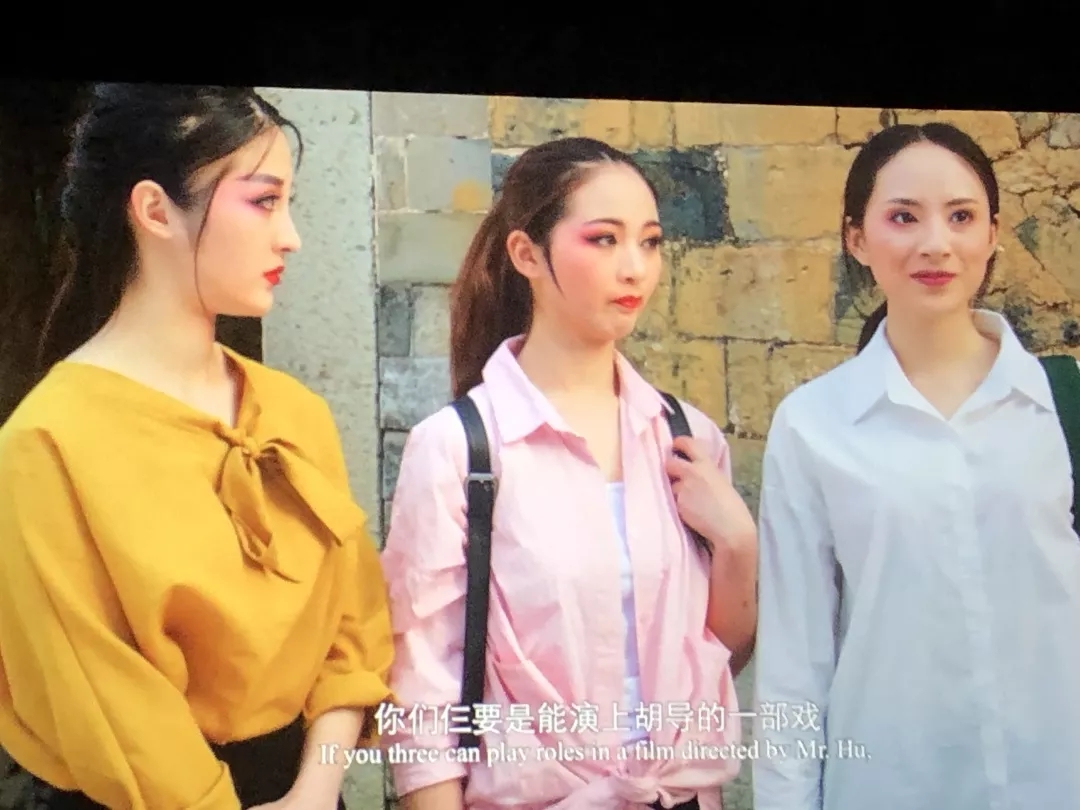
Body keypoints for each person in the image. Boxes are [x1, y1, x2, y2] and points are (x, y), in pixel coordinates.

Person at [0, 83, 394, 810]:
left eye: (289, 203)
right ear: (155, 210)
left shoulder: (294, 413)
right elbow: (107, 705)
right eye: (264, 201)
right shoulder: (46, 443)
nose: (291, 236)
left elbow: (354, 635)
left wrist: (315, 791)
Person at [380, 137, 758, 810]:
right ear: (527, 254)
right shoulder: (459, 448)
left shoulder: (686, 437)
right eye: (603, 240)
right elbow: (422, 687)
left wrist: (738, 544)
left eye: (650, 242)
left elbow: (715, 656)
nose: (635, 268)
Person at [752, 122, 1080, 810]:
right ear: (856, 238)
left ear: (992, 233)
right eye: (903, 217)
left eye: (961, 217)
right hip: (890, 786)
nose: (936, 243)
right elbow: (794, 664)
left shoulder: (1062, 403)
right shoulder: (813, 425)